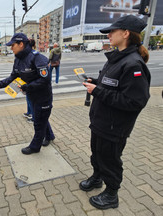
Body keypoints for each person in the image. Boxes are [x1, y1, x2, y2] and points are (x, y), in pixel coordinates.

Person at [80, 15, 151, 210]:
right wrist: (96, 83)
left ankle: (112, 194)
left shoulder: (134, 64)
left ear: (126, 33)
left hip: (114, 126)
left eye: (112, 31)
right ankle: (97, 178)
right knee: (97, 154)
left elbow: (135, 101)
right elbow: (113, 86)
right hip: (101, 121)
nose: (109, 35)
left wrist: (98, 91)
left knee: (110, 160)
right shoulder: (117, 58)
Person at [0, 33, 55, 154]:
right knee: (41, 117)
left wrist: (27, 87)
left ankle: (35, 147)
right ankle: (49, 136)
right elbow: (13, 76)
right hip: (31, 95)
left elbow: (45, 80)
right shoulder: (18, 58)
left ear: (21, 44)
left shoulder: (37, 58)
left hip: (43, 96)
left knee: (38, 122)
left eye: (13, 45)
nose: (11, 48)